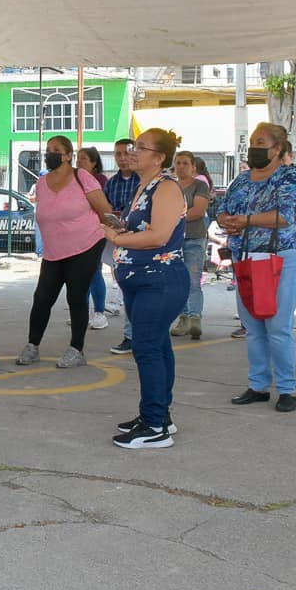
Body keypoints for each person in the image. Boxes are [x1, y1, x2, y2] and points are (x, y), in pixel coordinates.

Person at [105, 128, 189, 449]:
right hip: (143, 279)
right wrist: (120, 226)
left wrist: (117, 238)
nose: (132, 152)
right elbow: (141, 228)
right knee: (157, 346)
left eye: (140, 147)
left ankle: (155, 427)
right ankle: (158, 415)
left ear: (159, 157)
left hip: (161, 279)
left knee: (147, 348)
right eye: (133, 146)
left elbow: (158, 236)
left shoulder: (166, 187)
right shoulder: (144, 186)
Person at [218, 122, 296, 412]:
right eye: (253, 142)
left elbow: (288, 216)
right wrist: (226, 221)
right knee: (253, 327)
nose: (254, 148)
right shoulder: (242, 180)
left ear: (278, 149)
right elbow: (223, 209)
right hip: (245, 257)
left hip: (281, 257)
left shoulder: (291, 177)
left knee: (278, 327)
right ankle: (258, 385)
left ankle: (287, 389)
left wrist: (245, 220)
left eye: (261, 142)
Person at [17, 135, 111, 368]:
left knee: (76, 296)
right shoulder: (42, 183)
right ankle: (32, 345)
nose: (50, 154)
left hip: (85, 246)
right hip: (53, 251)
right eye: (48, 149)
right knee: (42, 298)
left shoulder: (83, 177)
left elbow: (104, 210)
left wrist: (111, 236)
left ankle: (76, 349)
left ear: (69, 155)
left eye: (56, 150)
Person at [169, 151, 211, 340]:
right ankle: (183, 318)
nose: (181, 166)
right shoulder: (170, 186)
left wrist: (173, 218)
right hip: (173, 239)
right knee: (177, 282)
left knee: (193, 280)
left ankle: (195, 319)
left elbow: (199, 211)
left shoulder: (200, 185)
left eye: (185, 163)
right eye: (178, 163)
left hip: (194, 237)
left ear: (193, 166)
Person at [104, 138, 139, 354]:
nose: (123, 158)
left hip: (142, 241)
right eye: (118, 154)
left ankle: (138, 335)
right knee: (127, 289)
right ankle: (130, 336)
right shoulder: (111, 183)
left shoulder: (145, 181)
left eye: (127, 153)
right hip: (119, 240)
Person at [77, 146, 110, 330]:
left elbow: (100, 207)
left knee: (94, 271)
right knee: (79, 275)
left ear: (94, 163)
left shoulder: (99, 180)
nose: (78, 162)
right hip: (77, 233)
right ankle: (82, 312)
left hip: (95, 231)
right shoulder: (73, 179)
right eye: (78, 158)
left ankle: (99, 313)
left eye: (83, 159)